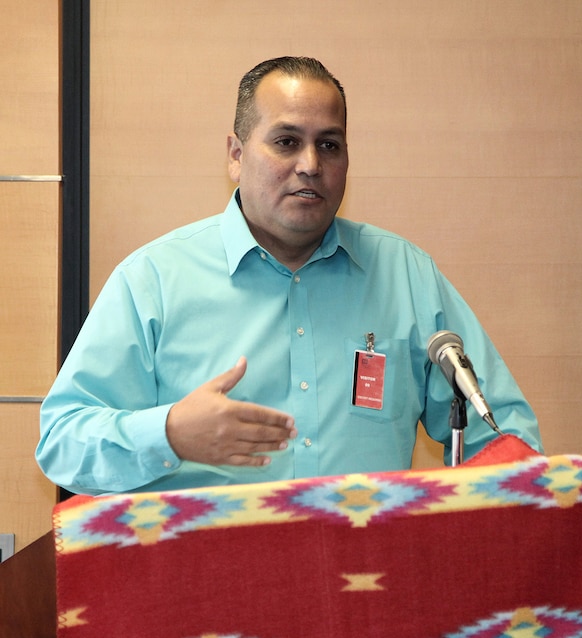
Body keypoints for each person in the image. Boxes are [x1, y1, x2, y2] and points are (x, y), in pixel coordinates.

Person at [36, 56, 542, 496]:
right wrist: (168, 434)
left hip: (364, 584)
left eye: (329, 145)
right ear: (236, 155)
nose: (309, 165)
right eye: (286, 141)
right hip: (211, 587)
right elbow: (62, 444)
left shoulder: (405, 276)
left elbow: (504, 437)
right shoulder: (154, 280)